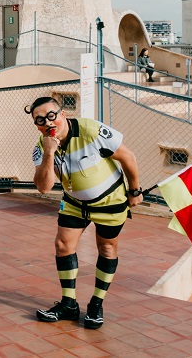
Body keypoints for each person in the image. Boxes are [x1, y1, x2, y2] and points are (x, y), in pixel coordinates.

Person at [28, 96, 142, 330]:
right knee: (62, 246)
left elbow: (127, 157)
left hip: (110, 200)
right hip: (74, 203)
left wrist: (134, 190)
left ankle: (96, 304)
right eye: (40, 120)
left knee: (107, 248)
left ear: (63, 114)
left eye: (51, 116)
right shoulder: (41, 146)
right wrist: (50, 153)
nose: (48, 123)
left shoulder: (91, 130)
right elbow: (44, 187)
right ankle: (69, 304)